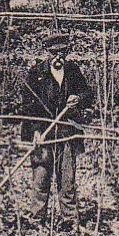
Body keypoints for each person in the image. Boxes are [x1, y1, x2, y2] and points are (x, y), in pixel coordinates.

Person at [15, 31, 95, 220]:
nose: (58, 57)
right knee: (41, 176)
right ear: (47, 52)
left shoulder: (72, 71)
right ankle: (37, 217)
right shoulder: (36, 73)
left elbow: (87, 94)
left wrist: (79, 99)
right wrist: (34, 130)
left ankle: (69, 218)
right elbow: (27, 105)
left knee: (67, 178)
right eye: (54, 53)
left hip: (66, 131)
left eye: (62, 53)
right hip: (43, 131)